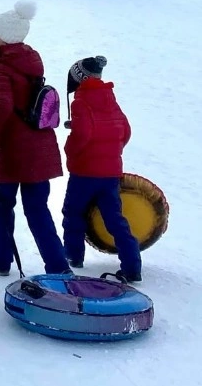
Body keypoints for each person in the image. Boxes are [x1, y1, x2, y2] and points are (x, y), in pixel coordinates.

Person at [0, 2, 70, 277]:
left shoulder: (2, 68)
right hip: (40, 146)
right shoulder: (31, 59)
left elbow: (4, 106)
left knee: (1, 205)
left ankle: (0, 259)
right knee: (38, 209)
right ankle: (58, 266)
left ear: (4, 36)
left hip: (14, 150)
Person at [60, 57, 142, 282]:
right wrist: (112, 153)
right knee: (114, 219)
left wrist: (70, 149)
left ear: (79, 78)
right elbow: (124, 130)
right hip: (110, 172)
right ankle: (132, 266)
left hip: (85, 172)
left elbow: (83, 134)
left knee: (74, 213)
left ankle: (73, 258)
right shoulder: (110, 99)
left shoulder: (81, 101)